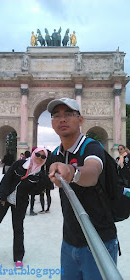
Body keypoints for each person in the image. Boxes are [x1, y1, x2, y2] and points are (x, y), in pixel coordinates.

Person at [47, 98, 118, 280]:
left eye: (68, 114)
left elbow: (93, 171)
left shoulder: (92, 146)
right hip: (69, 241)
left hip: (98, 242)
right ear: (52, 122)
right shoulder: (55, 153)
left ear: (80, 120)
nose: (62, 119)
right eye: (57, 115)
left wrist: (72, 172)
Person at [0, 147, 48, 268]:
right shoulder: (20, 163)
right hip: (4, 198)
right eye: (38, 154)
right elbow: (7, 179)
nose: (39, 158)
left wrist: (45, 181)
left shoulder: (40, 175)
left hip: (20, 202)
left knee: (18, 229)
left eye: (43, 157)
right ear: (33, 153)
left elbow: (35, 192)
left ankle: (18, 257)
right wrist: (2, 196)